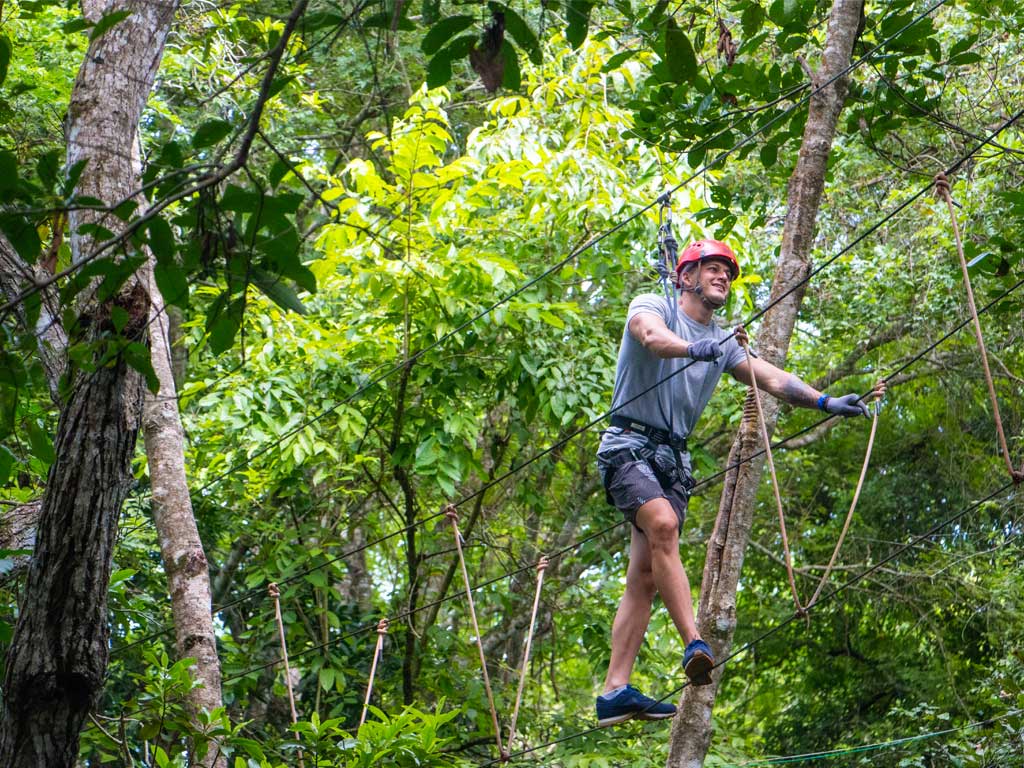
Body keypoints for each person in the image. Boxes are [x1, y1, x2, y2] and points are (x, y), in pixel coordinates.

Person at [594, 239, 869, 727]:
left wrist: (826, 402)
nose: (723, 277)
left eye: (727, 272)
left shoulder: (721, 343)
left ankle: (615, 689)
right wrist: (693, 347)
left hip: (671, 460)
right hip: (628, 444)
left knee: (643, 578)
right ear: (686, 277)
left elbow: (772, 378)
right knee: (661, 525)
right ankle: (694, 644)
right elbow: (651, 337)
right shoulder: (653, 305)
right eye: (713, 269)